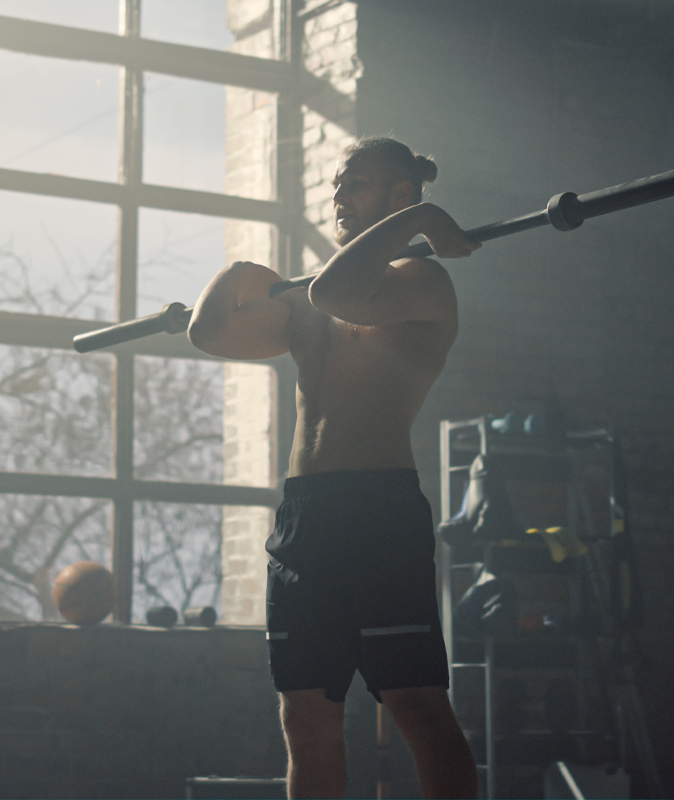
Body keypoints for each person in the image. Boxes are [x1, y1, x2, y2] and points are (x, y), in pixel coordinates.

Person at [187, 137, 480, 799]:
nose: (339, 197)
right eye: (339, 185)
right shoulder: (307, 304)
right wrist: (239, 273)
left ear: (401, 194)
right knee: (304, 716)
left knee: (415, 706)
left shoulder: (423, 283)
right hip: (303, 519)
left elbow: (340, 289)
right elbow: (209, 332)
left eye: (359, 184)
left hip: (378, 511)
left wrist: (423, 226)